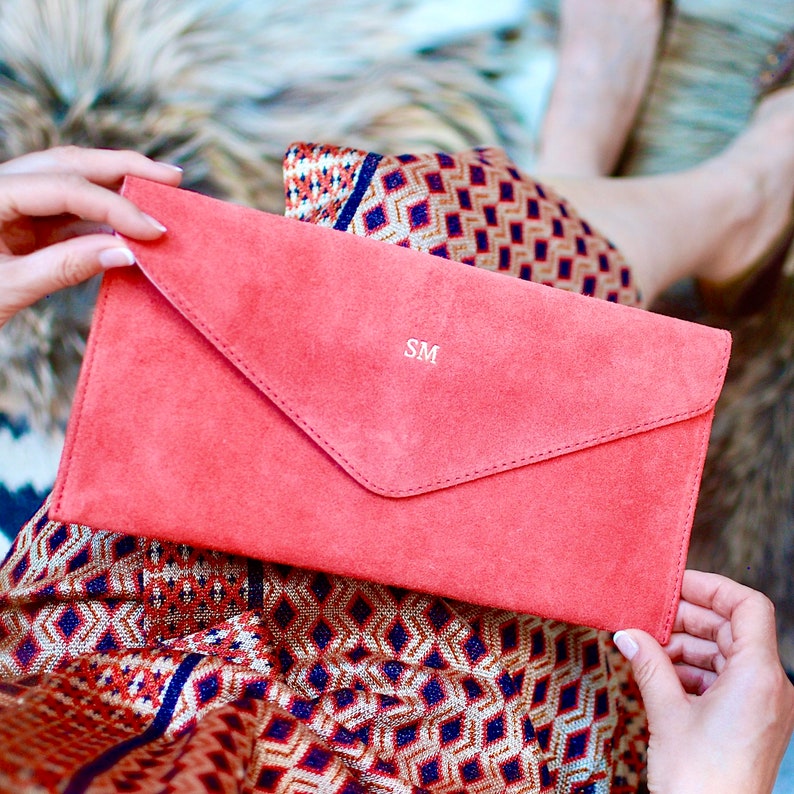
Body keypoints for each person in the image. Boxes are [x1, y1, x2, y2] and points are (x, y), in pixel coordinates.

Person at [1, 6, 793, 794]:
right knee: (438, 251)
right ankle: (737, 203)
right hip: (438, 750)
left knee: (400, 274)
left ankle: (583, 178)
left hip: (110, 647)